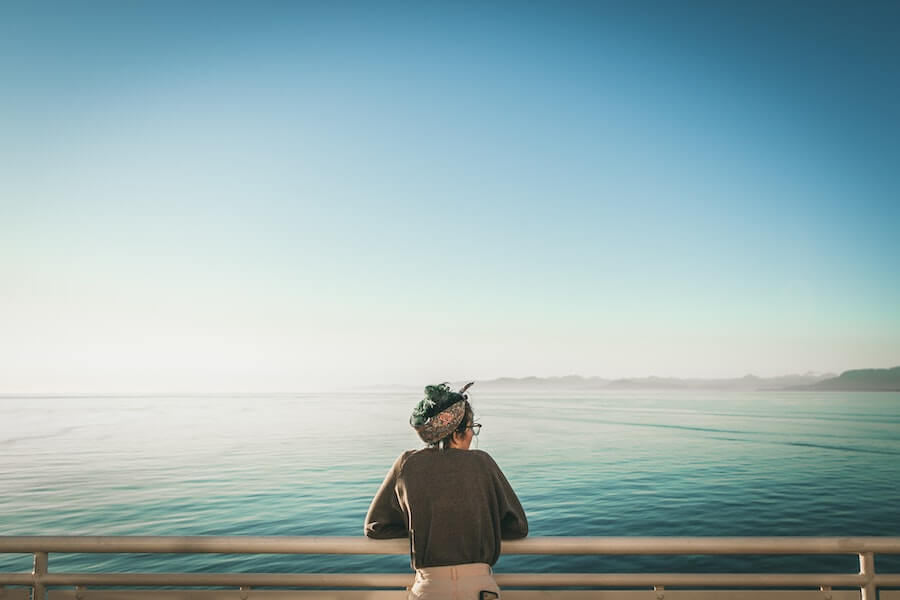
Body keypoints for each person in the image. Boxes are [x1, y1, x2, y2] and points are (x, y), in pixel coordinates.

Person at [365, 382, 528, 600]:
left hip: (429, 589)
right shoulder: (483, 462)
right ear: (456, 433)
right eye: (471, 427)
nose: (472, 435)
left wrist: (424, 530)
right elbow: (518, 527)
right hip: (480, 589)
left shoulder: (407, 463)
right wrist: (479, 528)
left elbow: (375, 527)